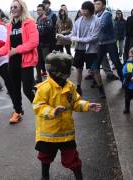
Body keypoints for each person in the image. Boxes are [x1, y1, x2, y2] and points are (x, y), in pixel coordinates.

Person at [33, 52, 102, 180]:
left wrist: (87, 105)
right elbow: (38, 107)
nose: (66, 76)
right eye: (65, 73)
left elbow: (75, 102)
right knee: (45, 157)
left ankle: (79, 177)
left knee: (73, 159)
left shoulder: (69, 86)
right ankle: (45, 175)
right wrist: (53, 111)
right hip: (49, 134)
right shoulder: (44, 88)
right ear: (55, 72)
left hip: (66, 133)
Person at [0, 0, 38, 124]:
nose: (13, 9)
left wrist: (16, 50)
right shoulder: (9, 25)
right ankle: (18, 111)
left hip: (26, 61)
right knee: (14, 90)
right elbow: (6, 47)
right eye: (11, 7)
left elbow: (33, 42)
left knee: (27, 90)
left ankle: (42, 110)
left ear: (22, 8)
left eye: (15, 6)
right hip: (13, 62)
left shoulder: (29, 23)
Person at [57, 1, 106, 98]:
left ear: (90, 11)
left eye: (84, 9)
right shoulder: (79, 20)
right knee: (79, 69)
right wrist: (63, 36)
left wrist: (78, 39)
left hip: (91, 50)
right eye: (82, 9)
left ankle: (101, 88)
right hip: (79, 49)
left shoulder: (96, 21)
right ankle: (78, 87)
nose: (82, 11)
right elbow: (73, 34)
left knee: (95, 70)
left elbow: (93, 38)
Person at [94, 0, 123, 82]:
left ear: (103, 6)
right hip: (100, 43)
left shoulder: (107, 14)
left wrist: (93, 25)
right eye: (95, 4)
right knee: (96, 63)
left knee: (116, 63)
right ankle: (97, 81)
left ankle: (124, 80)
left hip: (110, 43)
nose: (96, 5)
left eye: (98, 4)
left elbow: (102, 26)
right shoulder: (96, 15)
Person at [36, 4, 53, 83]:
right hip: (38, 44)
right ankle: (39, 79)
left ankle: (50, 79)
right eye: (37, 10)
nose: (38, 11)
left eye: (40, 10)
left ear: (44, 10)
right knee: (38, 61)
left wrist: (38, 32)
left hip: (45, 44)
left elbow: (47, 31)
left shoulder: (48, 19)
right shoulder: (38, 19)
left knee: (47, 62)